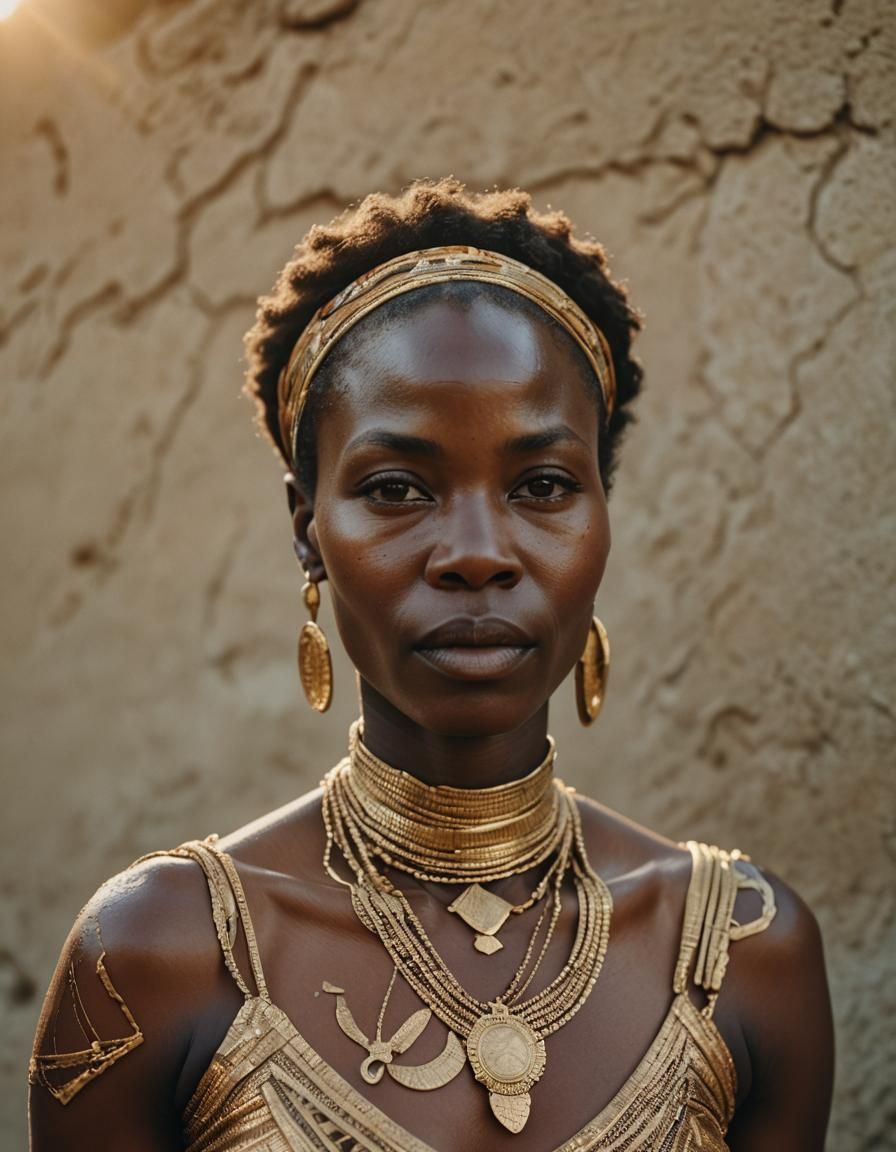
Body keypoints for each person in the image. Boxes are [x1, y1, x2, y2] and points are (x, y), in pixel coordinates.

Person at [29, 179, 834, 1152]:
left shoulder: (742, 954)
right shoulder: (160, 959)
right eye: (397, 487)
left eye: (541, 485)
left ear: (599, 516)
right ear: (306, 529)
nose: (476, 552)